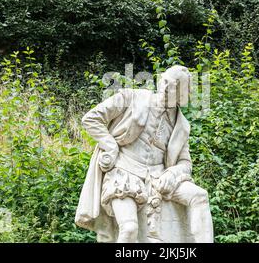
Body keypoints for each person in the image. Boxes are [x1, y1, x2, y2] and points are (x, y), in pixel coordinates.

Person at [75, 65, 213, 243]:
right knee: (129, 229)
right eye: (164, 82)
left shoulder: (182, 126)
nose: (165, 88)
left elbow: (185, 163)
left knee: (200, 196)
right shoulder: (130, 97)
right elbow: (91, 118)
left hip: (159, 177)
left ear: (181, 95)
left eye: (173, 87)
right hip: (124, 173)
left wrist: (172, 173)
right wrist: (111, 147)